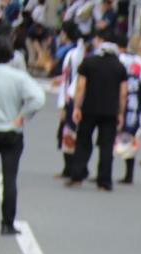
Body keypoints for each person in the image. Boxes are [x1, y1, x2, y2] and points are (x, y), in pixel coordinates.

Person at [0, 33, 44, 234]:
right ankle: (7, 222)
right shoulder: (18, 77)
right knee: (9, 178)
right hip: (12, 130)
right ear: (11, 56)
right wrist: (23, 115)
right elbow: (38, 98)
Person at [66, 28, 125, 191]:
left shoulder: (89, 62)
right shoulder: (119, 66)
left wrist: (77, 107)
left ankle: (77, 175)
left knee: (83, 142)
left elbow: (80, 87)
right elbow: (123, 93)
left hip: (89, 108)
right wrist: (121, 112)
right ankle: (104, 181)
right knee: (106, 146)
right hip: (110, 111)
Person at [115, 41, 141, 186]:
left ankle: (109, 172)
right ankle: (128, 174)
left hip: (124, 104)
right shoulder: (140, 64)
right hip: (134, 106)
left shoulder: (120, 61)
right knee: (129, 137)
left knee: (114, 138)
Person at [54, 21, 83, 180]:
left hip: (69, 97)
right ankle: (68, 167)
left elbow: (76, 77)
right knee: (65, 132)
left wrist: (68, 97)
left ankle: (72, 167)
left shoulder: (75, 53)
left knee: (69, 132)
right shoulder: (71, 52)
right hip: (66, 94)